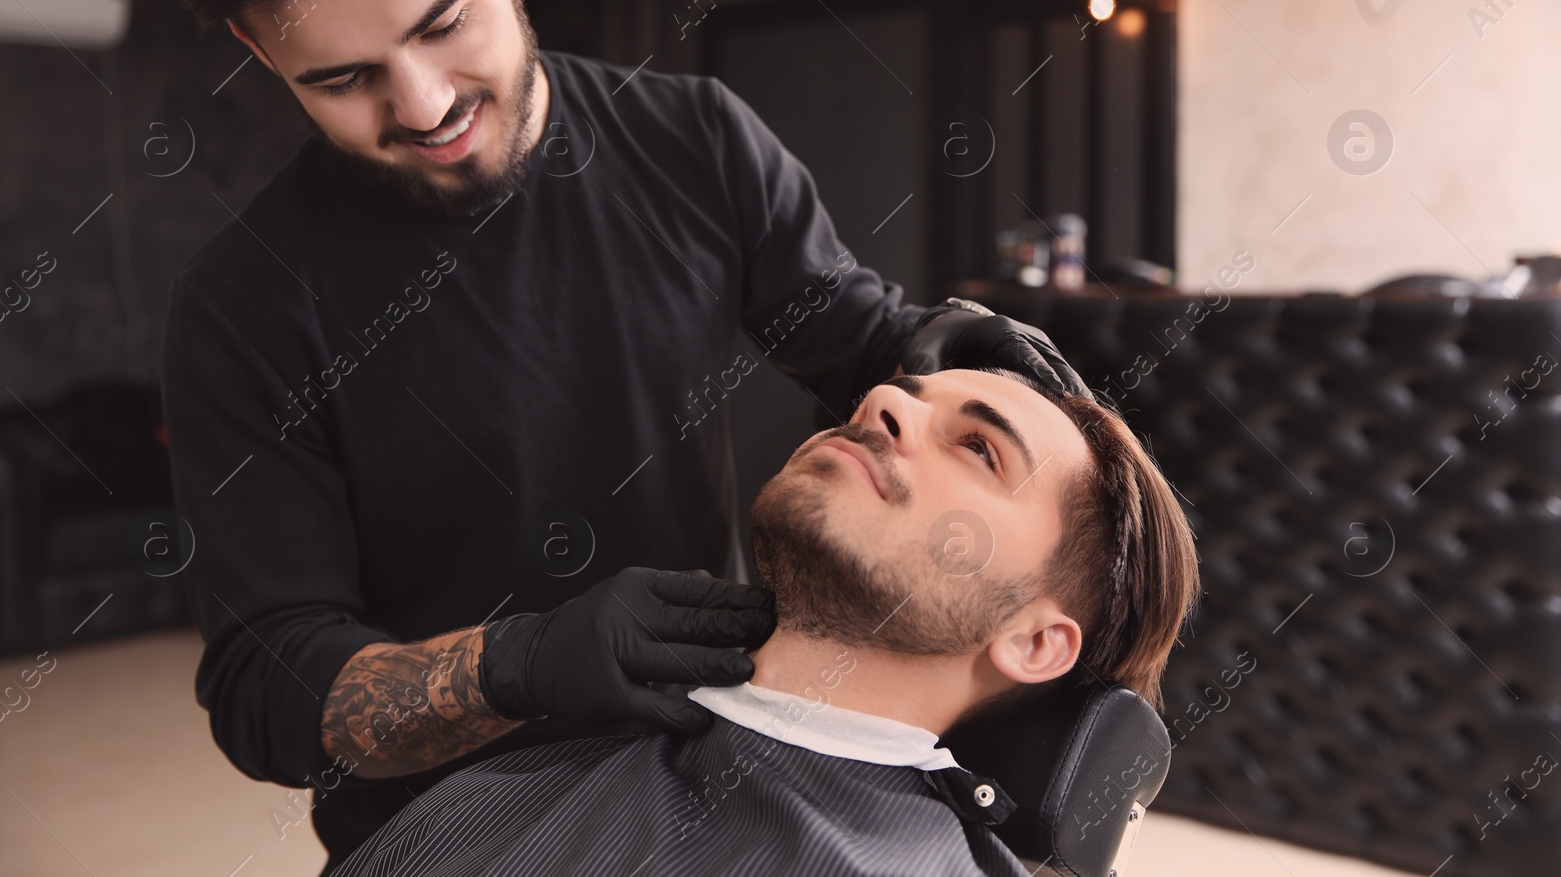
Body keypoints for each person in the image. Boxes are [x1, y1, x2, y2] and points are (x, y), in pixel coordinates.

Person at [156, 0, 1093, 869]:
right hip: (453, 841)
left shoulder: (696, 143)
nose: (423, 105)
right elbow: (267, 684)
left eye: (442, 23)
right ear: (254, 43)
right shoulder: (243, 306)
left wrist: (935, 350)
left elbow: (854, 341)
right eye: (339, 78)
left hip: (719, 797)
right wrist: (516, 665)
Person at [328, 367, 1202, 876]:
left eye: (979, 448)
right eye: (903, 393)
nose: (880, 404)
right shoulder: (486, 799)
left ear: (1034, 640)